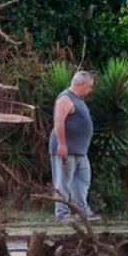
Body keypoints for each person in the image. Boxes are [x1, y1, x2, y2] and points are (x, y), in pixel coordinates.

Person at [48, 70, 100, 223]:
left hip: (80, 152)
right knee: (63, 182)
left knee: (82, 181)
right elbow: (58, 122)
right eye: (89, 86)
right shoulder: (65, 98)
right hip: (67, 150)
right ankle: (62, 215)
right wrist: (62, 144)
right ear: (81, 84)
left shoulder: (78, 100)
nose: (90, 90)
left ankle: (82, 211)